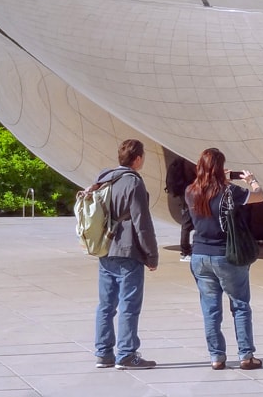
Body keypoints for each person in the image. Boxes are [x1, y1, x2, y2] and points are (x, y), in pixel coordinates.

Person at [185, 147, 263, 370]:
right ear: (220, 167)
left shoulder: (190, 191)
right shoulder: (228, 191)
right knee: (239, 304)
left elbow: (206, 188)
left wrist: (218, 177)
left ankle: (216, 357)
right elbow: (259, 196)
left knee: (210, 309)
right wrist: (252, 180)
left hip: (200, 255)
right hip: (225, 254)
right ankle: (246, 356)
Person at [94, 139, 159, 370]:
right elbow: (142, 223)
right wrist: (151, 255)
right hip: (128, 250)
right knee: (129, 304)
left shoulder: (104, 178)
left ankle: (103, 353)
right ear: (138, 159)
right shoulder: (133, 183)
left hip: (104, 247)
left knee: (106, 304)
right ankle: (126, 354)